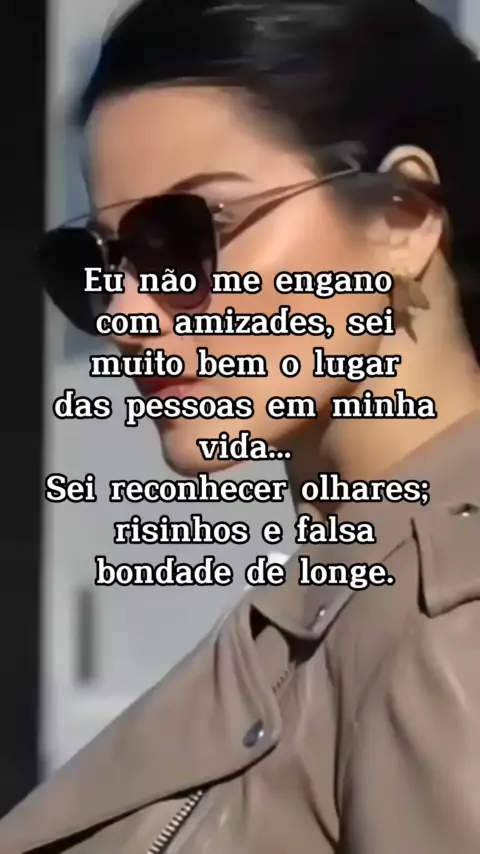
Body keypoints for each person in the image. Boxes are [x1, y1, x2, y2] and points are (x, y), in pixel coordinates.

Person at [3, 0, 480, 851]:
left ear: (400, 218)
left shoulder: (452, 629)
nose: (125, 314)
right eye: (102, 261)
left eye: (188, 234)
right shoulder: (342, 599)